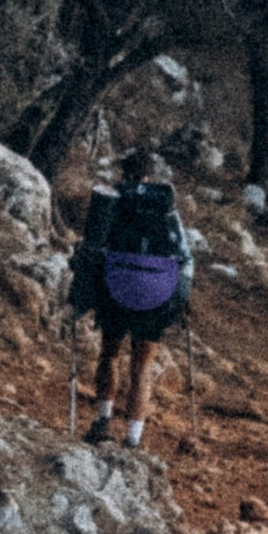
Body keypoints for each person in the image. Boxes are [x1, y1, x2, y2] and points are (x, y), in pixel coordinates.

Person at [69, 147, 191, 446]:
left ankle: (102, 422)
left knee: (109, 354)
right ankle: (133, 438)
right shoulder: (166, 207)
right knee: (141, 367)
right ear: (151, 176)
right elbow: (184, 255)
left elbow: (93, 248)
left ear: (124, 173)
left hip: (117, 285)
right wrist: (182, 297)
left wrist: (82, 291)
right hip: (157, 290)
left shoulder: (112, 201)